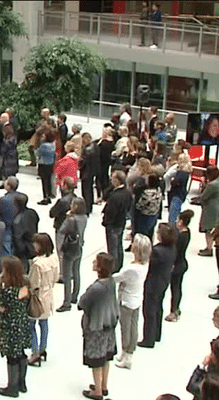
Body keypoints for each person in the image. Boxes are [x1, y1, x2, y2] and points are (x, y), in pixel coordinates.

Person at [78, 253, 119, 400]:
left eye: (96, 261)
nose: (93, 262)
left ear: (100, 267)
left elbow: (82, 303)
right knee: (106, 357)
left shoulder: (96, 288)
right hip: (110, 324)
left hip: (96, 327)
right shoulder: (112, 282)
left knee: (96, 359)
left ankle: (97, 392)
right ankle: (103, 385)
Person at [113, 234, 151, 370]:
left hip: (127, 301)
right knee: (133, 327)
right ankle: (126, 353)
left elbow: (117, 278)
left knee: (126, 329)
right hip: (137, 299)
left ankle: (127, 354)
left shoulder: (132, 269)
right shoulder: (144, 264)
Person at [0, 256, 31, 397]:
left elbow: (1, 307)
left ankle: (12, 387)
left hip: (10, 325)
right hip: (22, 322)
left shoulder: (7, 292)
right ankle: (22, 383)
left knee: (11, 356)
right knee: (21, 352)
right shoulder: (25, 286)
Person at [138, 223, 177, 348]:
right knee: (158, 308)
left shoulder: (157, 251)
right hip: (164, 280)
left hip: (154, 282)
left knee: (149, 310)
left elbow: (149, 264)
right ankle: (157, 334)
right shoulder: (172, 248)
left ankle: (148, 339)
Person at [27, 233, 59, 366]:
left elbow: (33, 283)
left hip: (37, 297)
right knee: (44, 323)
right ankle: (42, 349)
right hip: (48, 294)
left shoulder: (37, 264)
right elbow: (56, 277)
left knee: (31, 325)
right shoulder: (54, 259)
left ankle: (34, 353)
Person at [166, 209, 194, 322]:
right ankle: (176, 309)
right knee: (178, 287)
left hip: (177, 265)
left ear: (181, 222)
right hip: (182, 263)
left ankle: (174, 311)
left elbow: (175, 252)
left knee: (175, 288)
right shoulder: (187, 232)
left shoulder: (180, 237)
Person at [102, 171, 132, 271]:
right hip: (121, 222)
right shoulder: (127, 192)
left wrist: (106, 222)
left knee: (112, 248)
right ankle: (119, 264)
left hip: (113, 224)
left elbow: (111, 211)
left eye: (113, 179)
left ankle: (113, 267)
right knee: (119, 245)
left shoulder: (115, 196)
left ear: (117, 181)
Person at [199, 166, 219, 257]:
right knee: (211, 227)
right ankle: (209, 247)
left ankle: (209, 248)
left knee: (208, 229)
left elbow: (204, 196)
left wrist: (203, 185)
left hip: (210, 208)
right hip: (216, 206)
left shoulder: (211, 185)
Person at [13, 192, 40, 273]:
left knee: (24, 271)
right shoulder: (32, 212)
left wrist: (20, 252)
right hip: (33, 243)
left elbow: (17, 237)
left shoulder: (17, 220)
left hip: (23, 249)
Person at [0, 176, 21, 255]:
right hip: (18, 226)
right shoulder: (20, 197)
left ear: (9, 186)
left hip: (6, 226)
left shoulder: (3, 200)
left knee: (6, 250)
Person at [79, 132, 101, 215]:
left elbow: (83, 161)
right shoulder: (95, 147)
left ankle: (87, 207)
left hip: (86, 172)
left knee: (86, 191)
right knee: (90, 190)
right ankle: (89, 206)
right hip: (93, 171)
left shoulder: (87, 150)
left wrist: (79, 165)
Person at [167, 154, 191, 224]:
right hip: (181, 195)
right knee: (176, 215)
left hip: (176, 195)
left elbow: (174, 183)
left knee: (172, 218)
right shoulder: (187, 171)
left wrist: (172, 181)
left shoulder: (181, 173)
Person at [35, 128, 56, 205]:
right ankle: (49, 195)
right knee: (49, 180)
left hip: (43, 164)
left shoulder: (43, 146)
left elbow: (37, 153)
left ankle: (45, 197)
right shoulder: (53, 145)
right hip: (50, 164)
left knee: (44, 181)